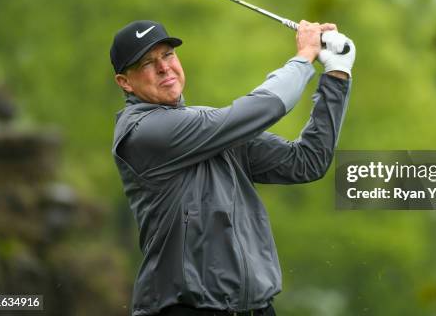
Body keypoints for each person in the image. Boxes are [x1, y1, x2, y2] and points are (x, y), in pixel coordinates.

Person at [110, 19, 355, 316]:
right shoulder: (143, 132)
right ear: (125, 82)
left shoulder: (208, 126)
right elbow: (265, 107)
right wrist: (303, 58)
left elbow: (306, 162)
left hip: (256, 308)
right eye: (148, 62)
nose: (164, 68)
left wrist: (336, 75)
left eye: (168, 55)